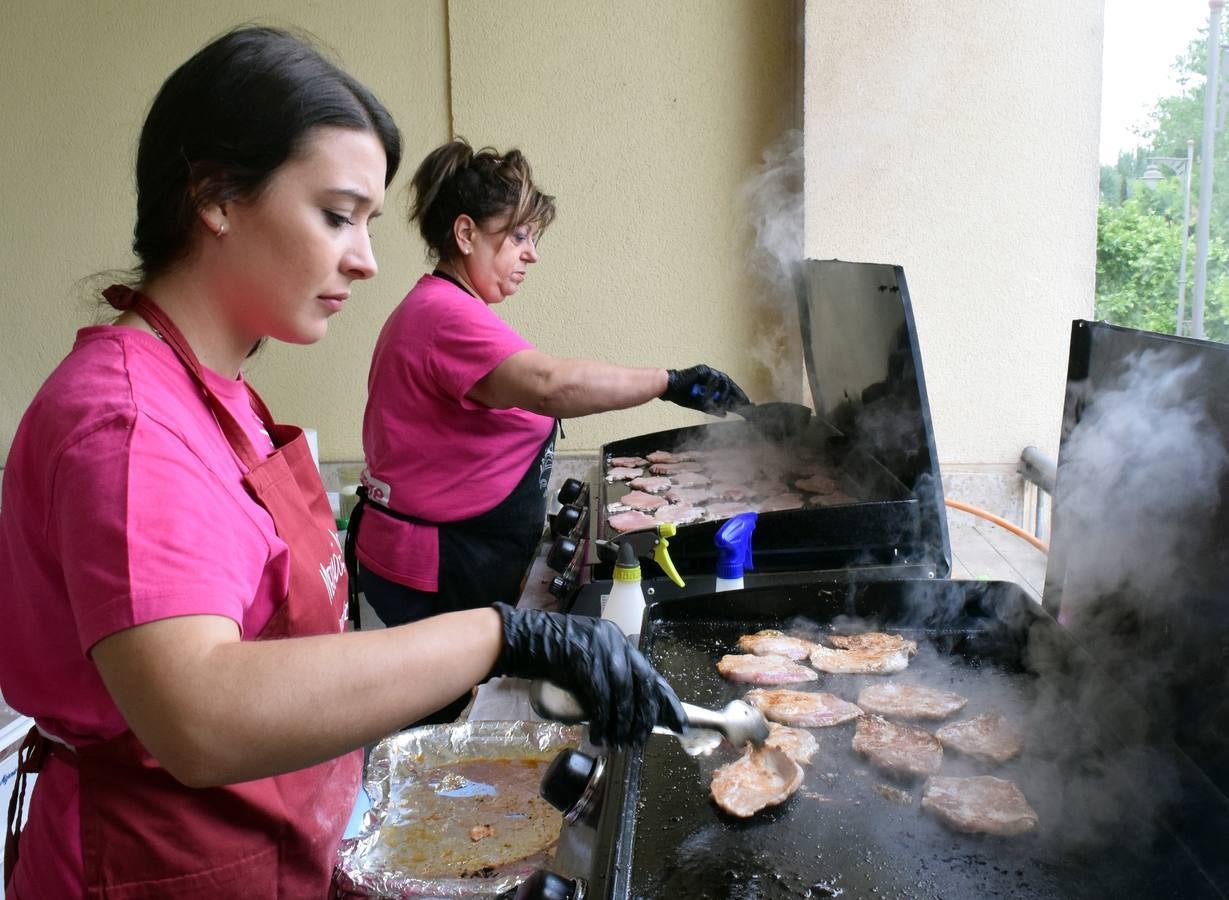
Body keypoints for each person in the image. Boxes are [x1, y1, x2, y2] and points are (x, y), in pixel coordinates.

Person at [0, 28, 683, 899]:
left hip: (269, 835)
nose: (363, 260)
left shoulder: (214, 390)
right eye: (336, 215)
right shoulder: (129, 424)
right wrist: (501, 634)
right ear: (215, 196)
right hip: (165, 864)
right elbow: (200, 713)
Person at [351, 140, 749, 722]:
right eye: (518, 237)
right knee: (437, 732)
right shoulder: (443, 315)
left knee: (449, 715)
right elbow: (549, 384)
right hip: (438, 568)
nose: (531, 255)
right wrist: (672, 382)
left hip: (448, 560)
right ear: (465, 234)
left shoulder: (447, 309)